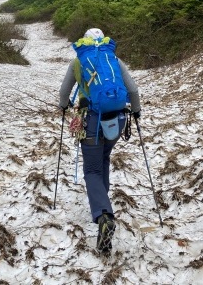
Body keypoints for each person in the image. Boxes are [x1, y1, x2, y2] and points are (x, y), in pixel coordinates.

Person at [59, 27, 141, 252]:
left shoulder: (78, 62)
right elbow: (132, 89)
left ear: (85, 41)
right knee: (104, 159)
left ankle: (104, 215)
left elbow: (64, 92)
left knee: (92, 169)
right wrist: (137, 111)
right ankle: (102, 201)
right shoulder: (112, 58)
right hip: (119, 119)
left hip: (92, 121)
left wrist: (64, 105)